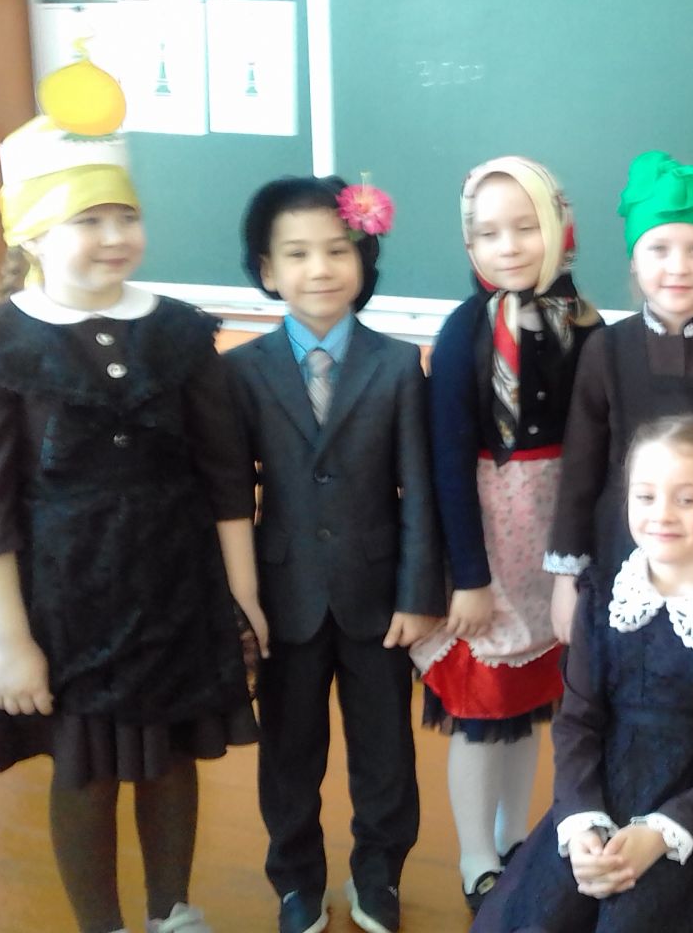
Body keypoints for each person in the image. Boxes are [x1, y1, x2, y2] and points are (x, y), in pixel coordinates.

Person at [0, 59, 260, 933]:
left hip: (176, 589)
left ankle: (172, 912)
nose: (115, 236)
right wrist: (12, 645)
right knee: (84, 768)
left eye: (126, 216)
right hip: (66, 605)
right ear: (34, 234)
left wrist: (242, 594)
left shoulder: (179, 332)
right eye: (88, 220)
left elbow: (225, 480)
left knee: (170, 759)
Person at [473, 414, 693, 932]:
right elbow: (578, 723)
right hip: (603, 801)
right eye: (646, 496)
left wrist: (663, 832)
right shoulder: (602, 600)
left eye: (687, 499)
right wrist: (582, 822)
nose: (662, 515)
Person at [226, 174, 445, 933]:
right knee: (289, 750)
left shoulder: (398, 365)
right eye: (297, 254)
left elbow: (419, 489)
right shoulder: (240, 370)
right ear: (267, 270)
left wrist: (418, 593)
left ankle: (379, 874)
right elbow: (231, 496)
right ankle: (295, 879)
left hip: (377, 597)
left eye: (337, 250)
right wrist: (240, 601)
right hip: (284, 596)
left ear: (363, 258)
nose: (319, 268)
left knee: (385, 750)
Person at [412, 156, 603, 913]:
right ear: (470, 246)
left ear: (558, 229)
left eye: (527, 227)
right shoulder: (465, 331)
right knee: (481, 709)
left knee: (528, 708)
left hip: (555, 541)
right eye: (489, 234)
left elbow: (600, 442)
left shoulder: (585, 324)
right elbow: (447, 463)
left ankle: (515, 836)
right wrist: (468, 575)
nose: (510, 245)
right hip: (491, 544)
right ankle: (475, 853)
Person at [544, 150, 693, 643]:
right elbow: (580, 470)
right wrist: (567, 578)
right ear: (634, 260)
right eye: (659, 249)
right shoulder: (605, 350)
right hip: (615, 559)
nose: (678, 267)